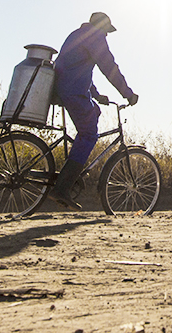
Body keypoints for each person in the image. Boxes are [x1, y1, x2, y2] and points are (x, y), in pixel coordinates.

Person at [51, 12, 138, 207]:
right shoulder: (95, 37)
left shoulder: (78, 34)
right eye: (107, 31)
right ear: (101, 27)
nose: (106, 36)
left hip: (65, 88)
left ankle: (72, 171)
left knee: (94, 113)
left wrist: (97, 95)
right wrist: (128, 93)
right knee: (89, 134)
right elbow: (109, 67)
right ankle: (63, 186)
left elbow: (77, 68)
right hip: (73, 91)